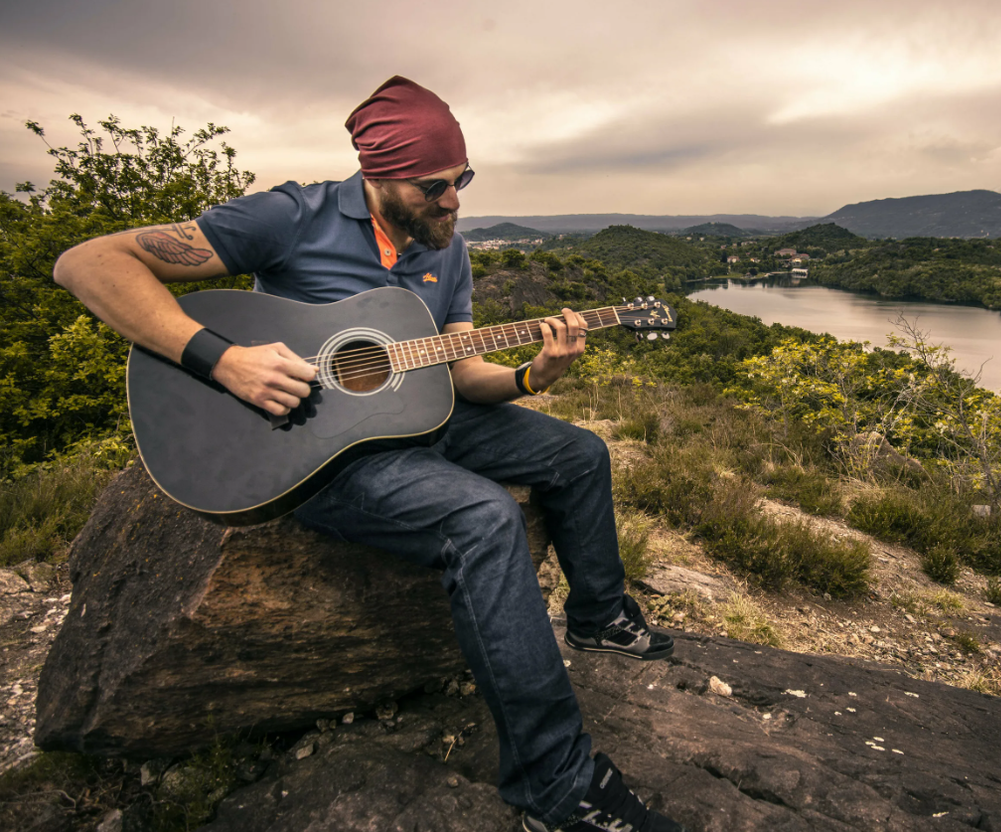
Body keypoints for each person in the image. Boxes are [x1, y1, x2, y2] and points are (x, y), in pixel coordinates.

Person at [53, 77, 687, 832]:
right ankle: (556, 788)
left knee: (580, 453)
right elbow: (87, 264)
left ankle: (599, 615)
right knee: (483, 519)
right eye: (434, 186)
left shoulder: (447, 250)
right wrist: (222, 361)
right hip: (315, 445)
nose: (453, 202)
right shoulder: (292, 215)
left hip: (421, 417)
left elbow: (457, 371)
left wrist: (527, 376)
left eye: (463, 180)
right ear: (378, 177)